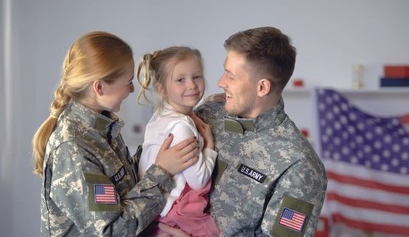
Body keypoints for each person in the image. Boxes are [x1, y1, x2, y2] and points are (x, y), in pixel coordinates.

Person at [32, 31, 200, 236]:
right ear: (100, 87)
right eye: (128, 81)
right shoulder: (73, 147)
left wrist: (157, 146)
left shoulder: (102, 126)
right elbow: (111, 230)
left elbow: (125, 191)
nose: (131, 89)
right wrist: (161, 171)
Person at [195, 26, 328, 236]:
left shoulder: (300, 166)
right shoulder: (208, 115)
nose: (221, 82)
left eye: (231, 76)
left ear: (262, 88)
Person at [137, 46, 220, 237]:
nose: (191, 85)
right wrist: (209, 147)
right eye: (180, 80)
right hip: (178, 212)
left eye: (197, 77)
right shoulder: (182, 126)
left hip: (156, 209)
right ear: (161, 89)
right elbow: (198, 180)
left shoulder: (160, 116)